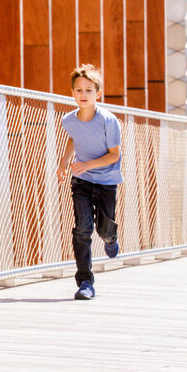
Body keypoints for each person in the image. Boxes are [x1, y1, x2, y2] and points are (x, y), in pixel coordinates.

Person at [56, 64, 123, 300]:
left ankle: (110, 238)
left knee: (103, 228)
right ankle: (85, 282)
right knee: (82, 229)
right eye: (78, 90)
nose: (83, 95)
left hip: (106, 181)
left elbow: (114, 154)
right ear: (72, 93)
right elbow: (74, 137)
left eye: (89, 90)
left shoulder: (109, 121)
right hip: (82, 181)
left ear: (98, 94)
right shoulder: (68, 120)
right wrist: (64, 161)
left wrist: (88, 164)